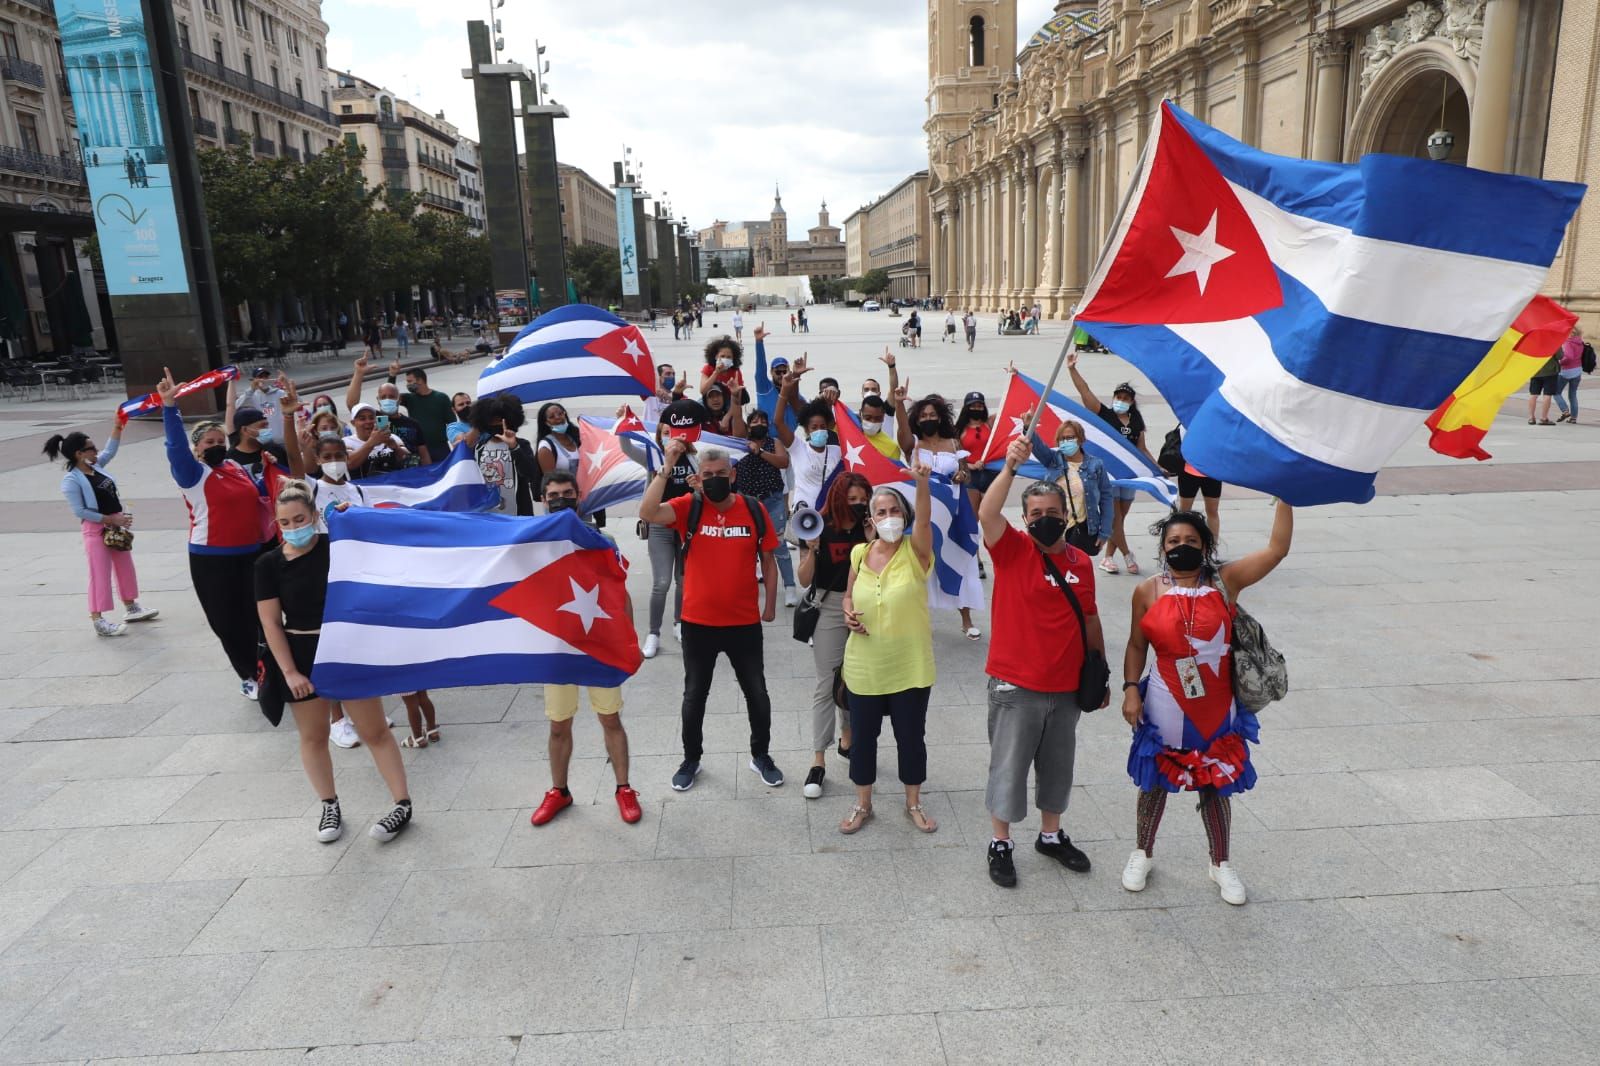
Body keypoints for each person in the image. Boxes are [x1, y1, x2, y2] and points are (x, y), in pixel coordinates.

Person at [1120, 502, 1294, 906]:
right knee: (1155, 783)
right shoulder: (1146, 591)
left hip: (1217, 708)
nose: (1182, 546)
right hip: (1164, 704)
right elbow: (1135, 644)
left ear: (1206, 546)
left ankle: (1221, 863)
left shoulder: (1225, 582)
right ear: (1163, 549)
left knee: (1215, 786)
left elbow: (1277, 550)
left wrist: (1285, 498)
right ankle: (1142, 853)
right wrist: (1131, 688)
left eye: (1191, 541)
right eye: (1174, 541)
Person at [977, 438, 1107, 888]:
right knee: (1009, 767)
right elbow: (987, 515)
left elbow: (1090, 617)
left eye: (1054, 513)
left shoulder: (1082, 563)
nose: (1047, 520)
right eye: (1037, 515)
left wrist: (1100, 671)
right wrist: (1010, 468)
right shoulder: (1012, 551)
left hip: (1066, 685)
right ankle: (1000, 842)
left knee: (1057, 767)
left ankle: (1050, 836)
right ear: (1026, 520)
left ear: (1066, 515)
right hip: (1017, 685)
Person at [256, 480, 413, 843]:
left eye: (300, 518)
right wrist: (290, 671)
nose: (294, 527)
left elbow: (381, 550)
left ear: (313, 515)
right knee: (314, 736)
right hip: (301, 652)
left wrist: (354, 519)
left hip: (347, 649)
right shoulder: (268, 565)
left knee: (374, 730)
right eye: (286, 522)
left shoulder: (337, 548)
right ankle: (329, 804)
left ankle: (402, 802)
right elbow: (270, 623)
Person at [637, 441, 784, 791]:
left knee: (757, 693)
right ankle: (691, 759)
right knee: (694, 695)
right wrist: (669, 462)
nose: (715, 479)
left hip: (743, 622)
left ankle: (761, 756)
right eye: (708, 475)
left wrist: (770, 604)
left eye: (721, 474)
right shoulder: (689, 507)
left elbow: (768, 559)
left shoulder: (752, 509)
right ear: (699, 479)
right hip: (698, 623)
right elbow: (647, 512)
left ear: (733, 475)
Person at [529, 472, 642, 826]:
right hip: (557, 649)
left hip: (599, 644)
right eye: (554, 495)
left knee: (610, 718)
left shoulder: (601, 539)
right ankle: (558, 791)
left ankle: (624, 788)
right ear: (544, 501)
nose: (560, 500)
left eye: (567, 494)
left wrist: (629, 640)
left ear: (578, 498)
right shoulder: (533, 545)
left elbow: (619, 594)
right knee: (559, 724)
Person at [158, 367, 274, 699]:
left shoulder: (234, 466)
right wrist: (170, 407)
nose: (216, 445)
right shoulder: (193, 474)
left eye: (220, 440)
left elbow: (262, 495)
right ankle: (248, 675)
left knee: (258, 617)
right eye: (209, 442)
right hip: (212, 560)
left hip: (251, 553)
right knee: (227, 622)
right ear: (197, 449)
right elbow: (175, 448)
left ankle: (266, 667)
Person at [837, 469, 939, 834]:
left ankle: (914, 802)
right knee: (863, 740)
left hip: (910, 668)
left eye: (894, 510)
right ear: (871, 519)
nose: (888, 517)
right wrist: (848, 612)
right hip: (864, 667)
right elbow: (849, 594)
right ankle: (862, 804)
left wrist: (922, 483)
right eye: (880, 512)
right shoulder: (860, 553)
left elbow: (925, 517)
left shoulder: (917, 551)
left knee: (910, 738)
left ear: (905, 515)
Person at [46, 420, 159, 636]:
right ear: (79, 453)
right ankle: (98, 619)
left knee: (125, 566)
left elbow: (111, 450)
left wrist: (118, 427)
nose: (97, 451)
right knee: (99, 573)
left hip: (115, 523)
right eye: (91, 448)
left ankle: (131, 606)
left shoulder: (96, 467)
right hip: (96, 528)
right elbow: (80, 511)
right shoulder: (71, 480)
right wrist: (110, 519)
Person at [797, 472, 871, 798]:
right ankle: (818, 761)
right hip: (828, 609)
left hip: (863, 609)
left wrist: (874, 540)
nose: (858, 506)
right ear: (839, 499)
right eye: (852, 500)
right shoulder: (817, 525)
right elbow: (803, 579)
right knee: (827, 684)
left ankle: (848, 738)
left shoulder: (870, 527)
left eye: (862, 499)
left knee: (855, 681)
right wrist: (812, 549)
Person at [895, 388, 983, 638]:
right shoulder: (913, 445)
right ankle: (914, 619)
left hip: (954, 509)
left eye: (932, 414)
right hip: (923, 511)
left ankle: (966, 620)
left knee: (959, 558)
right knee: (919, 562)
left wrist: (961, 475)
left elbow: (965, 472)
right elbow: (902, 433)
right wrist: (900, 404)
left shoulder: (954, 442)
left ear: (941, 416)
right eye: (922, 416)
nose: (927, 419)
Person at [1067, 351, 1155, 575]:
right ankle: (1127, 555)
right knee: (1114, 517)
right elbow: (1085, 392)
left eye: (1125, 399)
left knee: (1120, 519)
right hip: (1107, 476)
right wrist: (1072, 369)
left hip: (1129, 477)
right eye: (1118, 397)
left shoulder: (1136, 420)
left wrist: (1156, 468)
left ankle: (1107, 558)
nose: (1121, 401)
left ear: (1132, 401)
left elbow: (1142, 448)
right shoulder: (1104, 414)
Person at [629, 399, 705, 658]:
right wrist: (623, 421)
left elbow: (707, 493)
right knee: (661, 582)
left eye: (672, 434)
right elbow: (625, 446)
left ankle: (679, 623)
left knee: (683, 580)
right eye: (664, 433)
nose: (670, 438)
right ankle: (653, 633)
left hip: (686, 526)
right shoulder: (653, 456)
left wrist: (699, 487)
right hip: (661, 525)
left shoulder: (697, 457)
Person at [733, 408, 797, 606]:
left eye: (763, 421)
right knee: (747, 547)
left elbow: (783, 462)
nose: (758, 424)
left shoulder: (774, 443)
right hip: (748, 503)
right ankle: (744, 587)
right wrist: (736, 399)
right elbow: (736, 419)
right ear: (748, 425)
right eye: (754, 421)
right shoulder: (741, 444)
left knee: (779, 546)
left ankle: (790, 587)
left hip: (773, 501)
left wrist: (760, 452)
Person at [1031, 418, 1114, 555]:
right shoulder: (1053, 460)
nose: (1065, 442)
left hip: (1079, 530)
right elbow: (1037, 445)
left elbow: (1106, 498)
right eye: (1062, 439)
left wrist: (1105, 532)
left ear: (1080, 439)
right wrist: (1029, 426)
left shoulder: (1096, 465)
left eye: (1070, 438)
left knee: (1076, 570)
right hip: (1053, 529)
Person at [776, 360, 842, 511]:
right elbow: (778, 422)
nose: (819, 430)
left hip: (829, 513)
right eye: (814, 427)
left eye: (822, 426)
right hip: (804, 515)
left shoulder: (837, 451)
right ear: (806, 430)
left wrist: (831, 402)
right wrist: (784, 390)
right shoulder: (797, 448)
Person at [472, 395, 539, 515]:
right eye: (492, 420)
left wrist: (514, 447)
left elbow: (531, 473)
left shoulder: (521, 445)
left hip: (518, 513)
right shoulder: (478, 448)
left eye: (500, 420)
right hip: (488, 514)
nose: (496, 424)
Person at [398, 366, 454, 457]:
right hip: (418, 449)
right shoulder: (409, 398)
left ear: (420, 380)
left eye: (409, 381)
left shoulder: (441, 398)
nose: (407, 385)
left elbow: (452, 423)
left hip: (440, 448)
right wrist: (392, 375)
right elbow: (390, 397)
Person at [1555, 326, 1585, 424]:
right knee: (1572, 395)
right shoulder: (1580, 342)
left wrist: (1560, 363)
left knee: (1556, 392)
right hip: (1577, 371)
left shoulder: (1568, 342)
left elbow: (1569, 357)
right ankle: (1573, 418)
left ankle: (1565, 410)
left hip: (1566, 371)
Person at [1527, 352, 1561, 425]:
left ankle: (1531, 418)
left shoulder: (1533, 341)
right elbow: (1560, 356)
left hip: (1535, 370)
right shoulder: (1554, 341)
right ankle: (1544, 418)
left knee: (1533, 394)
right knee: (1547, 395)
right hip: (1550, 372)